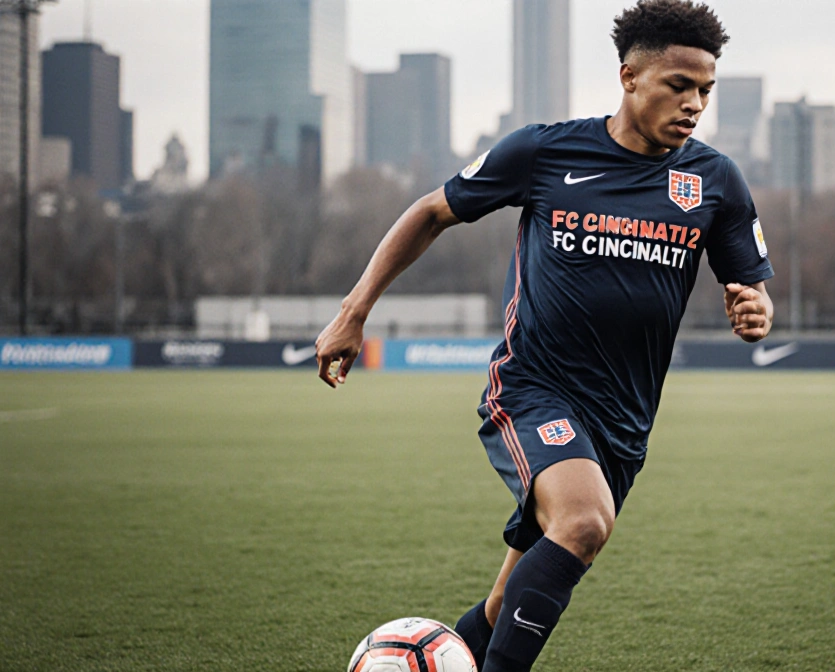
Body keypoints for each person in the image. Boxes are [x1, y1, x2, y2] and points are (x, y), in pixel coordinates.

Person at [316, 1, 774, 669]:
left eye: (705, 89)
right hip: (533, 390)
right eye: (678, 85)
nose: (694, 104)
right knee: (584, 522)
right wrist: (355, 311)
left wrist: (754, 312)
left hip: (623, 422)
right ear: (629, 77)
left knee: (508, 601)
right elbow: (431, 212)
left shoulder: (714, 181)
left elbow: (752, 289)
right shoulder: (545, 150)